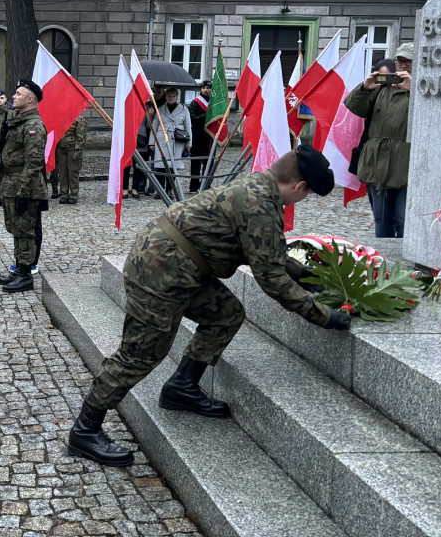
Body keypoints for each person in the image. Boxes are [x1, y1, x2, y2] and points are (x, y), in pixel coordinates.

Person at [65, 145, 347, 468]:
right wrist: (324, 316)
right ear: (300, 187)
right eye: (306, 194)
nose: (302, 199)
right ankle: (85, 430)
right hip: (162, 269)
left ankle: (182, 386)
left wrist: (308, 276)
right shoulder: (261, 205)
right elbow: (272, 281)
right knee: (140, 353)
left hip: (178, 263)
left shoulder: (258, 186)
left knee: (226, 313)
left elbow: (267, 252)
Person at [344, 42, 413, 237]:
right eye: (400, 60)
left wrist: (412, 90)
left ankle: (404, 262)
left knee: (403, 218)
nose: (403, 65)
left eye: (408, 61)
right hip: (377, 162)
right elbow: (354, 107)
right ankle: (384, 260)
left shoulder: (425, 89)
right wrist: (365, 88)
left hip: (405, 162)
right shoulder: (383, 87)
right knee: (381, 218)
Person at [0, 81, 48, 293]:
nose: (13, 96)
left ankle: (26, 275)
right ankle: (19, 269)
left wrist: (23, 192)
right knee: (16, 228)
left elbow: (34, 162)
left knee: (25, 230)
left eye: (18, 93)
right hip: (11, 184)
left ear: (30, 99)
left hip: (24, 186)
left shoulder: (33, 125)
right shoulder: (18, 121)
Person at [151, 87, 192, 199]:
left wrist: (189, 144)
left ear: (177, 97)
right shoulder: (160, 109)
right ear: (166, 97)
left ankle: (170, 189)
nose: (171, 98)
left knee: (173, 167)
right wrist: (152, 142)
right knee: (160, 166)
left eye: (173, 96)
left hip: (176, 141)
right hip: (162, 139)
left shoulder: (184, 109)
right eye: (169, 96)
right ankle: (160, 191)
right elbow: (154, 126)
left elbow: (188, 127)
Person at [55, 115, 87, 205]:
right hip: (61, 148)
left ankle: (73, 194)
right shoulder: (59, 117)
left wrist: (78, 150)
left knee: (72, 173)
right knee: (62, 173)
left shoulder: (79, 118)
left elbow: (81, 137)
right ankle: (64, 194)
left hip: (72, 149)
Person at [187, 81, 212, 192]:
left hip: (210, 136)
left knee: (209, 163)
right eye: (203, 87)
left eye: (208, 88)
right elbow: (192, 119)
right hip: (197, 136)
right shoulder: (195, 103)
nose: (205, 90)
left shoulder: (214, 103)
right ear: (200, 89)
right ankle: (194, 186)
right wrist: (207, 115)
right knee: (195, 163)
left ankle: (206, 185)